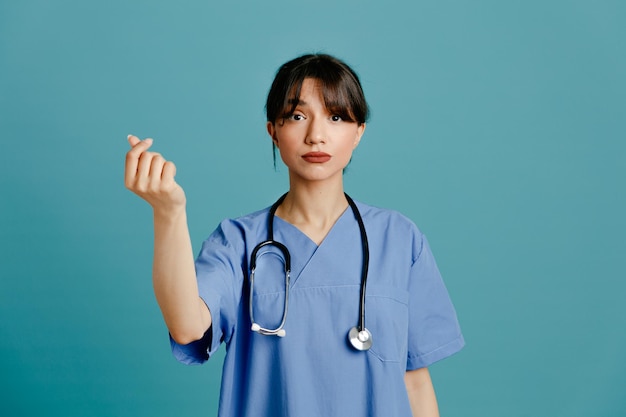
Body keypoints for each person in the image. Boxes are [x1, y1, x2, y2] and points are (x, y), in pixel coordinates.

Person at [124, 53, 464, 417]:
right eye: (297, 116)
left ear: (358, 132)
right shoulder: (238, 242)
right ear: (273, 130)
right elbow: (187, 326)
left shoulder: (400, 239)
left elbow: (414, 381)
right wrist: (169, 213)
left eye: (335, 117)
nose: (316, 135)